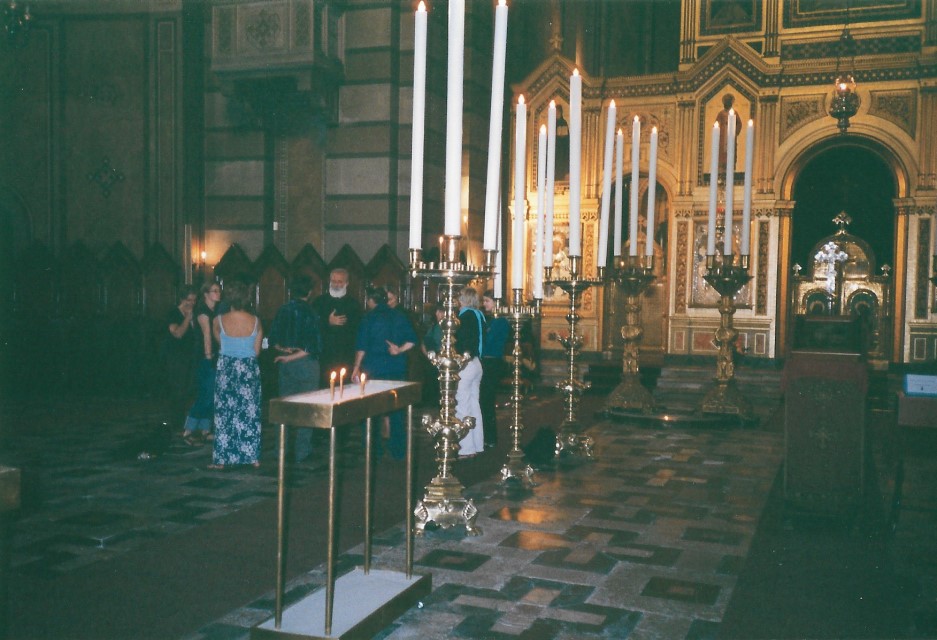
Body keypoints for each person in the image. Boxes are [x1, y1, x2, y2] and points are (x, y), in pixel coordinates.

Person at [351, 287, 417, 459]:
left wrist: (356, 367)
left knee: (371, 410)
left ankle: (373, 451)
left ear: (371, 300)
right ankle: (398, 451)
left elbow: (362, 346)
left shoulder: (368, 318)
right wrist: (399, 350)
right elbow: (412, 340)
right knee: (397, 411)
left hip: (374, 368)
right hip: (396, 367)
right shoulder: (399, 316)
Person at [209, 279, 263, 470]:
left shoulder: (218, 320)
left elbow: (220, 342)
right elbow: (256, 351)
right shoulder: (256, 321)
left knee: (225, 413)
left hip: (227, 369)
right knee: (250, 412)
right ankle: (252, 457)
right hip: (248, 369)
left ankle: (222, 459)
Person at [269, 274, 322, 463]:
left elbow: (272, 340)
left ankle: (280, 450)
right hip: (306, 364)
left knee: (284, 408)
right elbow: (312, 347)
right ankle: (302, 451)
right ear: (309, 292)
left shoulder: (282, 310)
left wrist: (284, 353)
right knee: (307, 409)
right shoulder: (310, 312)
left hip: (285, 364)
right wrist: (292, 355)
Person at [182, 281, 222, 445]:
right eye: (214, 291)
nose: (218, 293)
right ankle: (188, 430)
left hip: (213, 356)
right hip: (204, 357)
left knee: (211, 394)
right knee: (205, 394)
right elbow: (207, 335)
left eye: (218, 290)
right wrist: (208, 356)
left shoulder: (215, 311)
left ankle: (205, 430)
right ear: (206, 294)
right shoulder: (203, 312)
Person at [312, 268, 361, 386]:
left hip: (346, 355)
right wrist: (327, 322)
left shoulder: (354, 304)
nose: (335, 285)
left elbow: (357, 332)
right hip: (325, 356)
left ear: (346, 283)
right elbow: (311, 327)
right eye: (333, 281)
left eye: (339, 282)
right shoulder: (319, 302)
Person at [454, 286, 485, 457]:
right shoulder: (479, 315)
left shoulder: (464, 316)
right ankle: (477, 445)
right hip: (477, 363)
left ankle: (465, 448)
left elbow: (461, 342)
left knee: (462, 405)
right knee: (474, 405)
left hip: (466, 364)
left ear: (463, 300)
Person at [162, 286, 198, 425]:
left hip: (190, 356)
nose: (192, 303)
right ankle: (176, 422)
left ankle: (185, 420)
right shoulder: (173, 313)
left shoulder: (194, 312)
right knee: (178, 390)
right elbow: (178, 333)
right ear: (182, 299)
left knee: (187, 389)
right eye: (189, 300)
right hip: (176, 357)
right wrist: (188, 318)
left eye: (194, 300)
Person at [480, 291, 509, 449]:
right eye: (484, 301)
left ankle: (490, 437)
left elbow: (488, 341)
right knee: (484, 400)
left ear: (497, 302)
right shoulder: (491, 320)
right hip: (487, 361)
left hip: (492, 362)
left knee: (487, 400)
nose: (484, 304)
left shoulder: (500, 321)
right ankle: (486, 435)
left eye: (487, 301)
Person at [716, 93, 742, 173]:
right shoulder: (721, 113)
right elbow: (716, 124)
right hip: (723, 137)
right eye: (726, 101)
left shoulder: (734, 113)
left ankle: (731, 168)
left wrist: (735, 132)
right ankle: (722, 168)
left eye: (728, 101)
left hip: (730, 136)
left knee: (731, 152)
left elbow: (739, 123)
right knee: (722, 153)